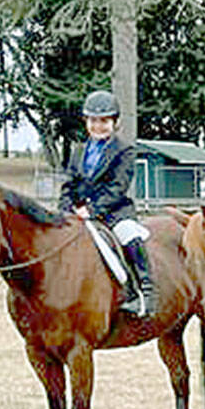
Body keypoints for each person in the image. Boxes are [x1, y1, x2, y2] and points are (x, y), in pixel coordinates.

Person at [59, 89, 157, 317]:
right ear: (86, 122)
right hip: (79, 212)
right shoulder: (79, 151)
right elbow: (69, 184)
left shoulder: (124, 150)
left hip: (114, 212)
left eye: (104, 121)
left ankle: (143, 293)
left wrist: (91, 210)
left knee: (129, 236)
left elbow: (117, 188)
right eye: (94, 121)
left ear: (115, 122)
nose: (98, 126)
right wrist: (65, 210)